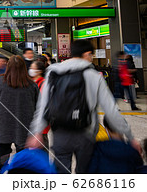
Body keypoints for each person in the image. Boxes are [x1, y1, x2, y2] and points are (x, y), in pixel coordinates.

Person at [27, 40, 141, 174]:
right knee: (85, 172)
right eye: (91, 55)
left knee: (61, 171)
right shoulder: (93, 76)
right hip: (85, 133)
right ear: (87, 54)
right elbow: (111, 111)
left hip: (60, 133)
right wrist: (130, 137)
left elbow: (42, 106)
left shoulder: (53, 73)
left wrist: (36, 132)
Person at [0, 55, 39, 169]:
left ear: (8, 67)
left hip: (3, 124)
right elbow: (37, 106)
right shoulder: (31, 84)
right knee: (22, 150)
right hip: (24, 124)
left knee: (4, 150)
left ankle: (4, 170)